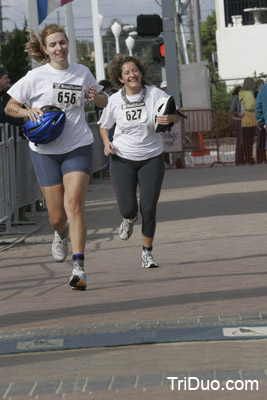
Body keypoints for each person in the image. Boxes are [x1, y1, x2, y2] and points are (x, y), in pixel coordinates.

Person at [4, 24, 108, 290]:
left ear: (67, 43)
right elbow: (10, 107)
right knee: (56, 217)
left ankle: (79, 268)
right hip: (45, 151)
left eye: (62, 42)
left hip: (77, 145)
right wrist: (29, 113)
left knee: (74, 204)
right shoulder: (35, 76)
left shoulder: (82, 72)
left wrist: (98, 97)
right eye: (53, 45)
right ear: (45, 49)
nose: (59, 48)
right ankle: (60, 234)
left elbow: (104, 101)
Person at [98, 55, 182, 268]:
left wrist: (168, 118)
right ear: (121, 78)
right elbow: (104, 125)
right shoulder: (114, 99)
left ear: (141, 72)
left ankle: (147, 252)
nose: (132, 75)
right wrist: (106, 142)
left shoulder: (156, 94)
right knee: (128, 209)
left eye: (134, 71)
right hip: (122, 158)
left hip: (151, 157)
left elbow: (178, 115)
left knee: (148, 207)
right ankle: (128, 220)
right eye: (127, 73)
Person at [238, 77, 257, 165]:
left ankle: (246, 158)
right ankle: (250, 159)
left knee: (246, 140)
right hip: (250, 118)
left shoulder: (242, 93)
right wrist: (257, 106)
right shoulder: (249, 94)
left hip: (245, 119)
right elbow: (250, 106)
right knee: (250, 140)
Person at [230, 85, 244, 165]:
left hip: (238, 120)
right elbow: (231, 111)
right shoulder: (236, 98)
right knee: (240, 140)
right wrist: (238, 114)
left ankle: (240, 159)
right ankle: (238, 160)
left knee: (241, 140)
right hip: (237, 120)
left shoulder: (238, 98)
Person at [254, 79, 266, 163]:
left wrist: (261, 120)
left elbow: (259, 106)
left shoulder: (263, 89)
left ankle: (261, 158)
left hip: (263, 120)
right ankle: (261, 158)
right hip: (264, 121)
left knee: (262, 141)